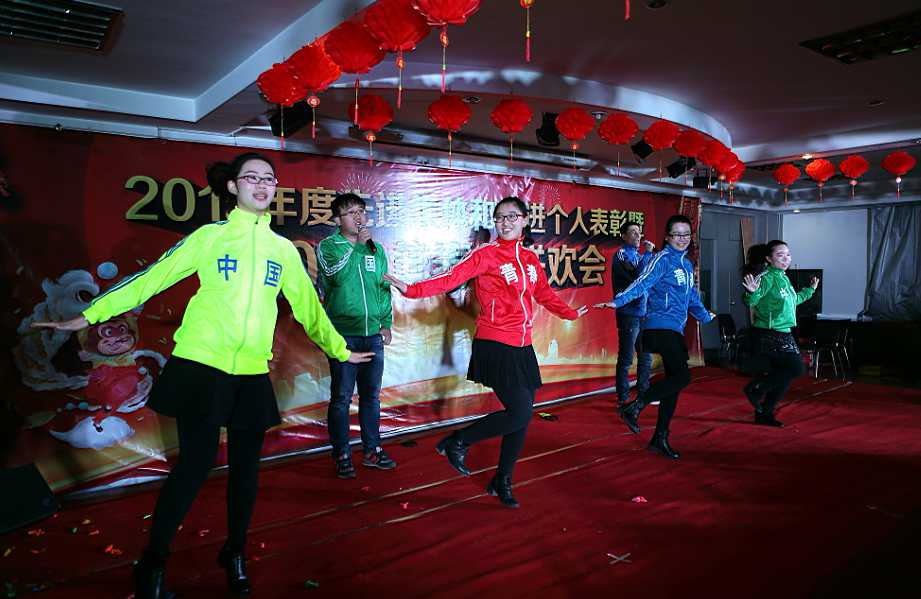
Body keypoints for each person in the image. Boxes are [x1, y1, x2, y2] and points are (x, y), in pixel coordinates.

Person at [33, 152, 372, 599]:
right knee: (194, 466)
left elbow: (309, 308)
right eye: (251, 177)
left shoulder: (282, 251)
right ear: (233, 186)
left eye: (269, 179)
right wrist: (90, 315)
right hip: (201, 366)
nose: (262, 185)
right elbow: (152, 278)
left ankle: (234, 552)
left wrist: (340, 350)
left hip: (251, 371)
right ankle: (153, 562)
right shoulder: (210, 237)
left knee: (246, 473)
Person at [385, 197, 587, 508]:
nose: (505, 222)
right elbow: (451, 278)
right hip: (496, 343)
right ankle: (457, 441)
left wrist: (570, 313)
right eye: (499, 217)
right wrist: (411, 290)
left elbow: (544, 293)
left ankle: (502, 479)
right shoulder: (486, 255)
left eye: (512, 216)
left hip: (522, 346)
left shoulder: (529, 259)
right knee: (520, 413)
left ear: (524, 220)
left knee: (520, 418)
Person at [595, 214, 714, 459]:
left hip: (675, 328)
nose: (682, 238)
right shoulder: (661, 259)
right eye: (677, 234)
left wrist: (705, 316)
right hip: (659, 326)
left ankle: (660, 437)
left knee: (673, 385)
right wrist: (618, 301)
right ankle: (635, 406)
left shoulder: (687, 265)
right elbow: (642, 282)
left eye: (686, 234)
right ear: (667, 237)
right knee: (682, 377)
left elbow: (692, 297)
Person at [317, 193, 396, 479]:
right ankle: (342, 454)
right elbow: (335, 278)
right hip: (343, 336)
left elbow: (383, 287)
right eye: (351, 213)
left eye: (361, 211)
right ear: (337, 220)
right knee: (341, 398)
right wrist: (357, 250)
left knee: (371, 396)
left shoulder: (376, 249)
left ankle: (372, 450)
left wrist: (385, 322)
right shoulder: (329, 247)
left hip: (372, 335)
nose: (359, 217)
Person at [741, 240, 818, 427]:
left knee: (784, 376)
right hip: (769, 333)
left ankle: (764, 414)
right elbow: (751, 301)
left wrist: (810, 290)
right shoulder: (766, 278)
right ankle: (756, 389)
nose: (786, 259)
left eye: (788, 255)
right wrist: (750, 292)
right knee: (796, 368)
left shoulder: (783, 277)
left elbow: (793, 300)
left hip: (783, 332)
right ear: (769, 259)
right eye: (780, 255)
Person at [610, 221, 655, 409]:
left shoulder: (638, 255)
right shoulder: (621, 255)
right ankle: (623, 397)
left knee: (646, 357)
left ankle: (644, 393)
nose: (638, 236)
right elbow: (638, 276)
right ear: (623, 236)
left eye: (639, 232)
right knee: (627, 358)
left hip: (643, 313)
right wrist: (648, 255)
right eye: (634, 232)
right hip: (628, 313)